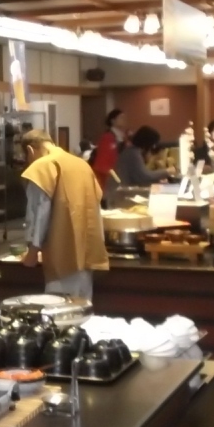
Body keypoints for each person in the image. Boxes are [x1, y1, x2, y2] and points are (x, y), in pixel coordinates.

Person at [18, 130, 109, 299]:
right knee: (82, 307)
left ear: (30, 150)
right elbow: (96, 206)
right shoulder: (81, 165)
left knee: (60, 307)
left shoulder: (42, 167)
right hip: (87, 252)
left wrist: (33, 251)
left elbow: (39, 213)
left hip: (60, 253)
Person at [90, 109, 131, 189]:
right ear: (113, 120)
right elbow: (104, 162)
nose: (124, 120)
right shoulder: (107, 137)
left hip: (120, 174)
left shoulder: (124, 137)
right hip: (109, 177)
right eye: (121, 117)